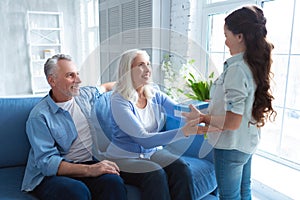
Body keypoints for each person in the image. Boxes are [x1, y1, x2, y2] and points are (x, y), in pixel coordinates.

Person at [181, 5, 277, 200]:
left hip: (230, 147)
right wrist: (215, 102)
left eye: (227, 35)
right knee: (244, 192)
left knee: (229, 197)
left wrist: (203, 118)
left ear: (239, 36)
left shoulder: (236, 69)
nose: (225, 41)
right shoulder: (252, 64)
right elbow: (242, 101)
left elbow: (232, 122)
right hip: (246, 143)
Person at [21, 54, 127, 200]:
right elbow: (48, 163)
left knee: (113, 182)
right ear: (52, 80)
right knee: (76, 191)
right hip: (52, 176)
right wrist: (91, 170)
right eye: (70, 75)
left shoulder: (85, 95)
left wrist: (133, 85)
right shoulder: (39, 116)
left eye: (77, 74)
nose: (78, 80)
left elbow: (105, 87)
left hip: (88, 163)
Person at [105, 49, 195, 200]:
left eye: (148, 64)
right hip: (124, 158)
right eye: (141, 65)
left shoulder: (154, 94)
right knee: (154, 173)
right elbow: (144, 139)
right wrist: (183, 131)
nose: (148, 69)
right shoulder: (119, 100)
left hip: (152, 153)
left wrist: (206, 113)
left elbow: (180, 111)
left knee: (181, 168)